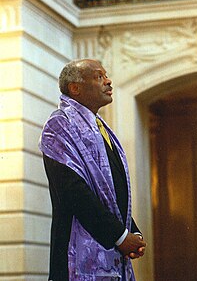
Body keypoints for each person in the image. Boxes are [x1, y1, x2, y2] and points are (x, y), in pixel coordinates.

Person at [39, 59, 146, 280]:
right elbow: (74, 192)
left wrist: (131, 231)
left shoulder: (100, 128)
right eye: (99, 77)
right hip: (75, 256)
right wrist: (120, 236)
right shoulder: (59, 125)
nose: (108, 82)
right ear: (75, 88)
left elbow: (109, 192)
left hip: (111, 248)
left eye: (106, 76)